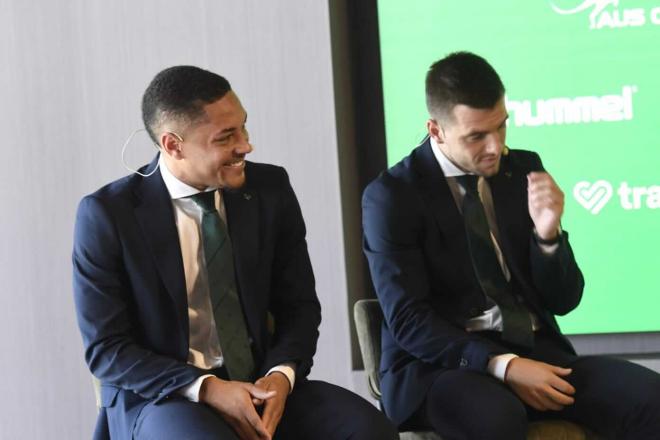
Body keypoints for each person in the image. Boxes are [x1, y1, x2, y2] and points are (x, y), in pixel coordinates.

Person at [73, 65, 398, 440]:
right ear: (173, 144)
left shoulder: (270, 189)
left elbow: (300, 306)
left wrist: (282, 374)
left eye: (243, 127)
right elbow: (107, 348)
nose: (245, 145)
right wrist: (208, 388)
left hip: (261, 384)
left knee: (369, 430)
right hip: (166, 397)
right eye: (226, 137)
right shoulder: (108, 215)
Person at [362, 51, 660, 439]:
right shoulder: (392, 196)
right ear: (436, 130)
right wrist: (504, 365)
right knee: (495, 418)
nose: (495, 146)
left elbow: (564, 300)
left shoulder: (522, 168)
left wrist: (548, 236)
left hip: (536, 352)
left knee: (649, 397)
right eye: (477, 136)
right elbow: (409, 321)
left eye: (501, 127)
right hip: (440, 370)